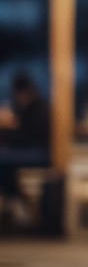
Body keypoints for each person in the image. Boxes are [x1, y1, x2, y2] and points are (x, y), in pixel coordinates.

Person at [0, 73, 51, 228]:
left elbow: (28, 136)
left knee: (4, 163)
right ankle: (16, 200)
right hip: (33, 151)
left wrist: (8, 130)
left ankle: (15, 201)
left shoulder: (36, 108)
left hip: (39, 153)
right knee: (5, 163)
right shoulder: (31, 106)